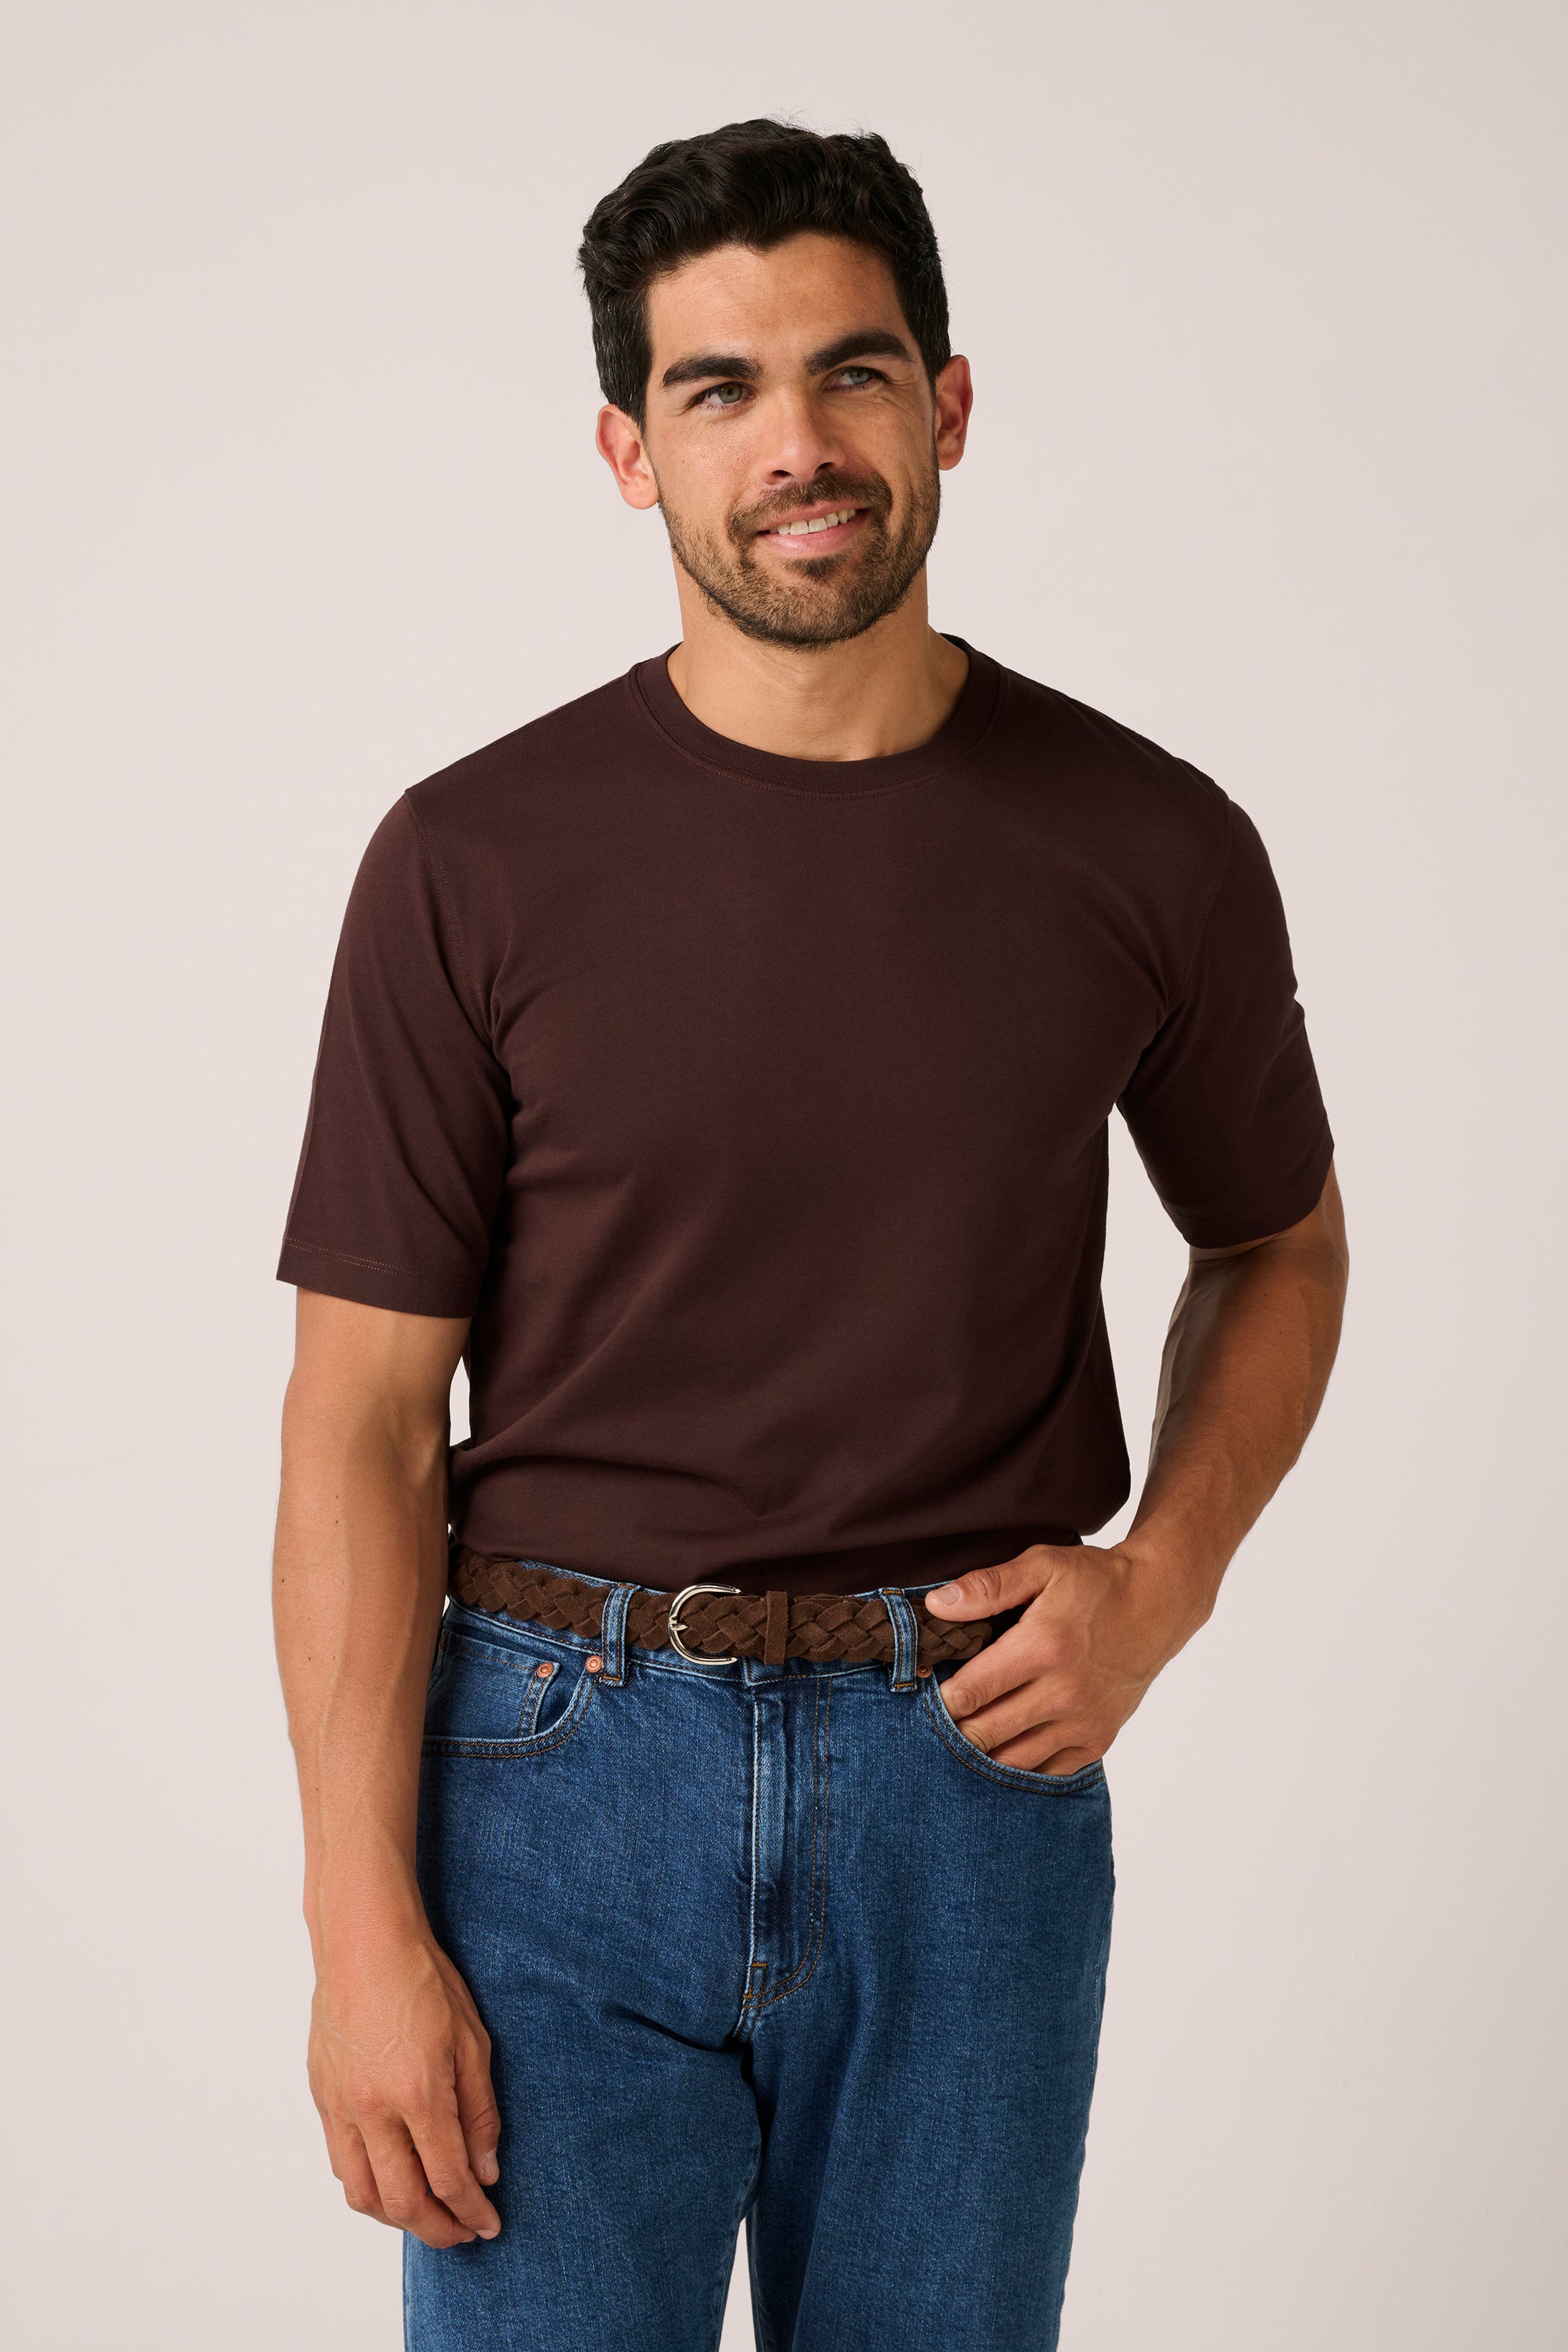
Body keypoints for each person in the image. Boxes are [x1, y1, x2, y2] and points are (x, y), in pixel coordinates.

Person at [272, 118, 1348, 2352]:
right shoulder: (468, 861)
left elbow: (1278, 1245)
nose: (797, 447)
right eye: (719, 391)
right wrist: (360, 1935)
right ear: (624, 449)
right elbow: (363, 1424)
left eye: (851, 376)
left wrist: (1162, 1578)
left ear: (946, 406)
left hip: (968, 1780)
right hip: (546, 1784)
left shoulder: (1147, 844)